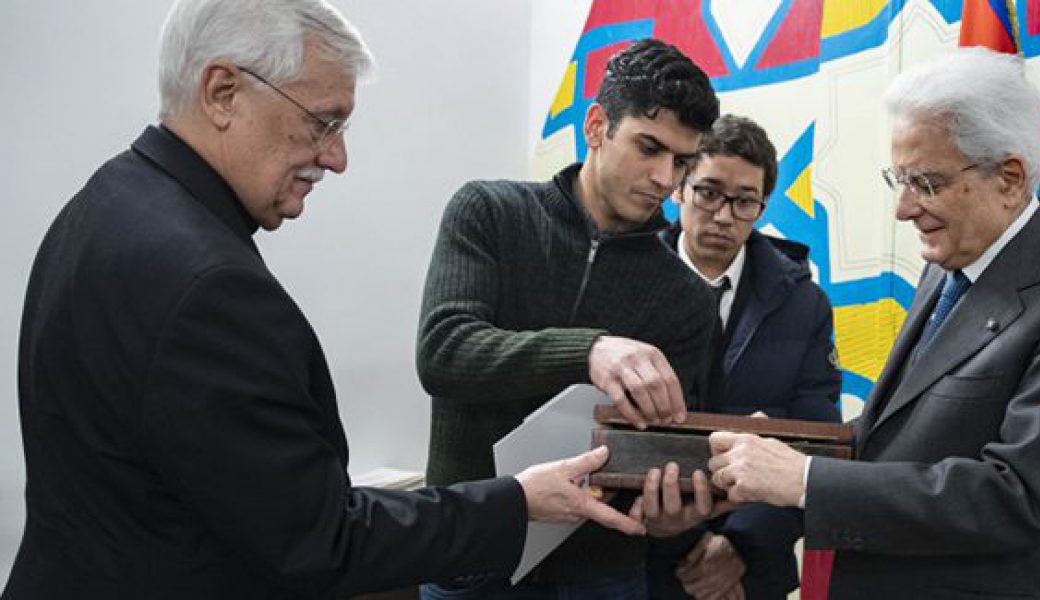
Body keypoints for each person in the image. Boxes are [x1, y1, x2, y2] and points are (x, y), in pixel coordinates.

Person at [4, 1, 644, 597]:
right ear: (223, 92)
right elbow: (322, 540)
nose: (336, 157)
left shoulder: (102, 203)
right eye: (323, 120)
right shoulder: (211, 288)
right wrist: (517, 502)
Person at [706, 48, 1040, 599]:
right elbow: (899, 439)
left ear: (1010, 179)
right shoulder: (950, 261)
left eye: (925, 182)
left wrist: (803, 480)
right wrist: (782, 450)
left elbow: (1015, 496)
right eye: (899, 178)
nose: (903, 207)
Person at [417, 38, 720, 598]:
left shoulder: (687, 298)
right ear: (598, 125)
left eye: (680, 161)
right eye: (648, 147)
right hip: (470, 551)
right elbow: (444, 351)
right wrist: (590, 352)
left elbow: (663, 445)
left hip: (601, 571)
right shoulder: (488, 212)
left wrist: (671, 509)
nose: (664, 179)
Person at [649, 114, 841, 599]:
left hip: (752, 571)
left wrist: (736, 548)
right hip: (639, 561)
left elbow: (815, 443)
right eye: (709, 192)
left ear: (762, 205)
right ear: (679, 188)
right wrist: (685, 542)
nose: (723, 215)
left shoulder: (803, 303)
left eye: (745, 201)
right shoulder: (631, 282)